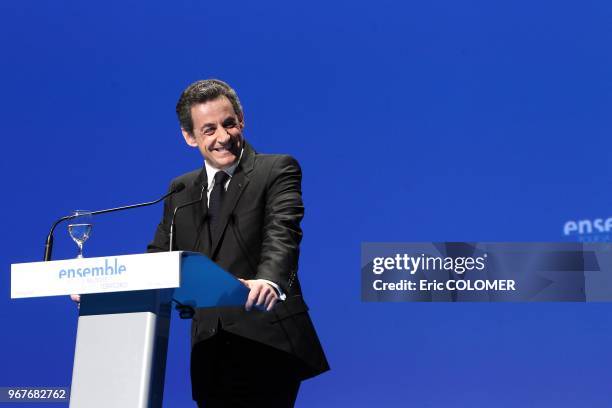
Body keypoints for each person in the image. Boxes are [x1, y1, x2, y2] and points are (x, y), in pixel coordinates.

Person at [147, 79, 329, 407]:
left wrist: (269, 280)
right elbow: (159, 257)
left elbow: (283, 234)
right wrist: (105, 289)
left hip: (266, 338)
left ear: (241, 121)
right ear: (189, 137)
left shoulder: (275, 169)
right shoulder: (180, 190)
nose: (223, 136)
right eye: (209, 129)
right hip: (209, 348)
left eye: (229, 123)